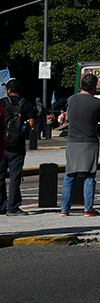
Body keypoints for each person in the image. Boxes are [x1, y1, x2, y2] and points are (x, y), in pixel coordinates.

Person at [59, 73, 100, 217]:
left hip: (72, 142)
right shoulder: (96, 102)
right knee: (89, 176)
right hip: (89, 142)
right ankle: (88, 209)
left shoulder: (71, 99)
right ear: (94, 86)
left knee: (69, 175)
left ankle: (64, 210)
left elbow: (68, 117)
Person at [1, 80, 38, 215]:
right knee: (15, 177)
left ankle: (1, 206)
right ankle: (13, 207)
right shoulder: (26, 103)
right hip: (17, 145)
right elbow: (32, 123)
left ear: (9, 90)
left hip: (1, 145)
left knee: (0, 176)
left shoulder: (2, 102)